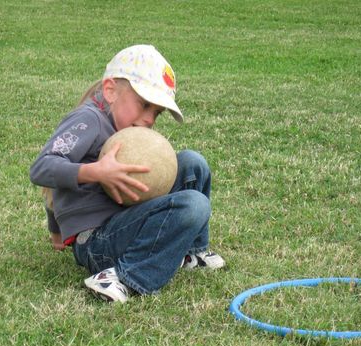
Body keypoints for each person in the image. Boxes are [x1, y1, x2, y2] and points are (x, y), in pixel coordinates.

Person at [30, 44, 225, 303]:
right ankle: (122, 276)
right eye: (144, 105)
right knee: (194, 205)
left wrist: (55, 230)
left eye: (156, 112)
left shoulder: (125, 131)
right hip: (98, 241)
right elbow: (43, 168)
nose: (149, 119)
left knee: (192, 163)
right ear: (110, 90)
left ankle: (192, 253)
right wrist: (96, 172)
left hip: (125, 222)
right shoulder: (89, 120)